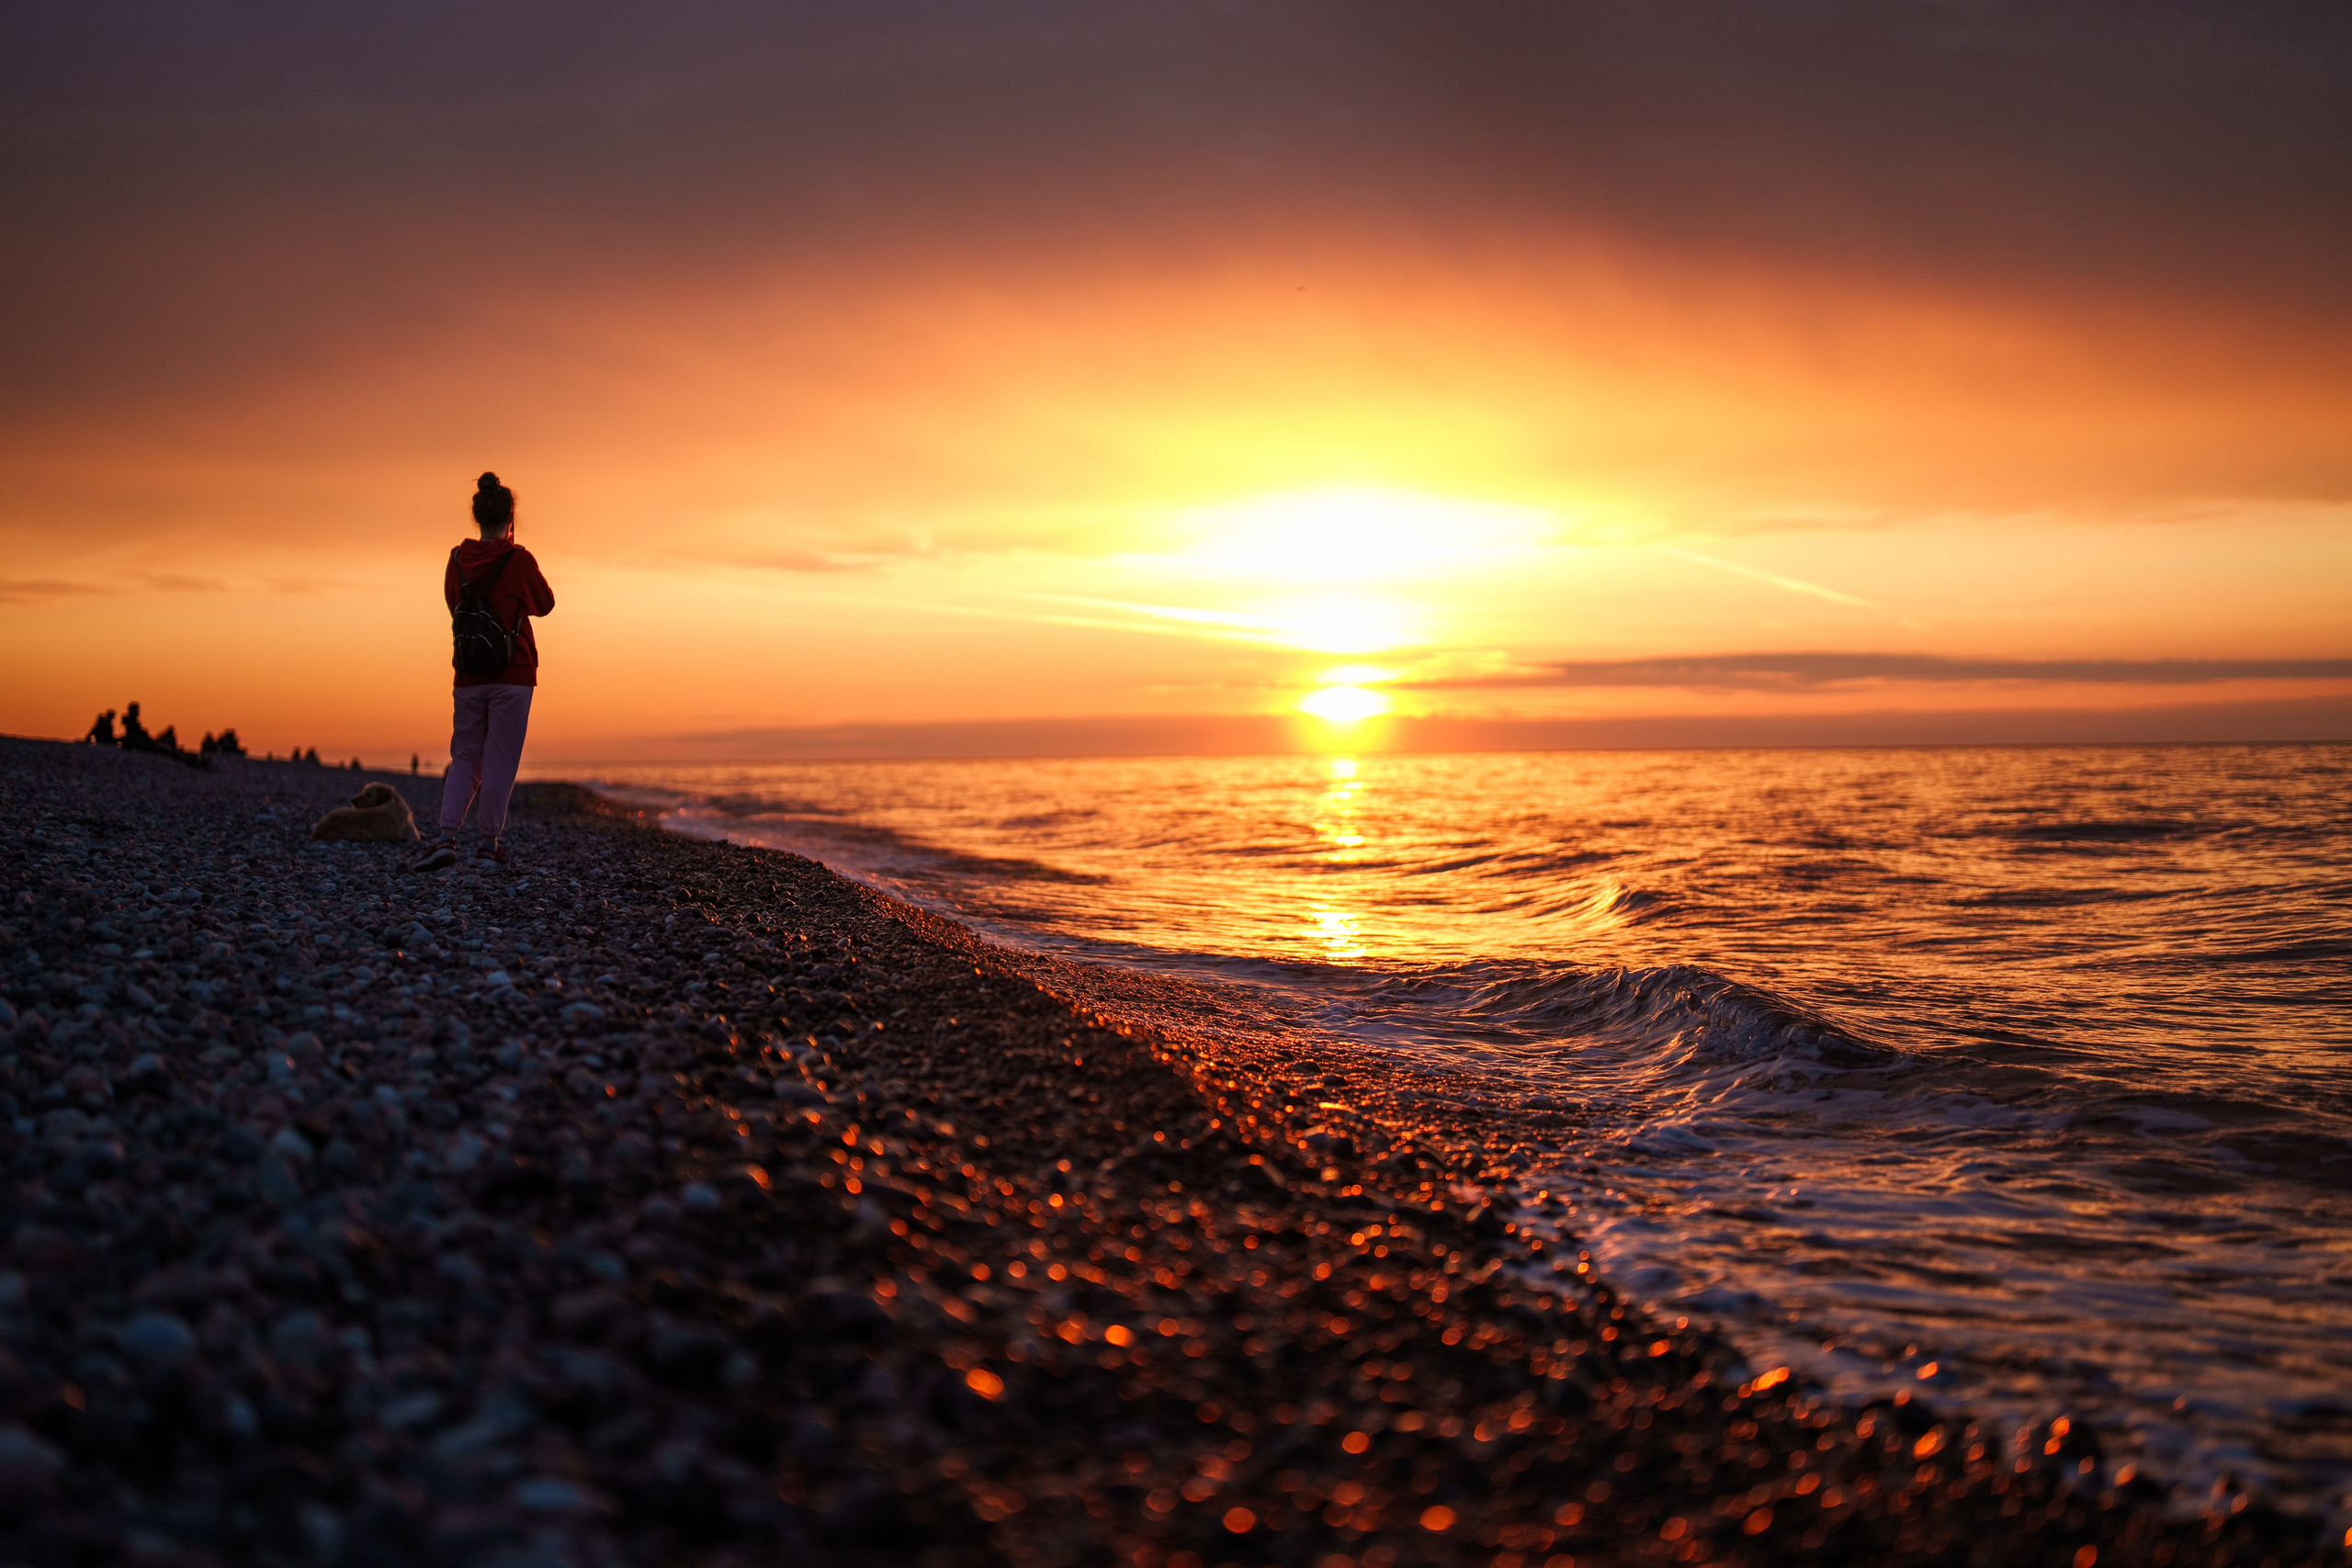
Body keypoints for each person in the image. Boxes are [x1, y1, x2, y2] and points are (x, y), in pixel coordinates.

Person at [413, 472, 554, 871]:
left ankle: (445, 838)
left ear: (477, 517)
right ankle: (488, 846)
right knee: (499, 761)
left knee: (464, 757)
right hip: (514, 673)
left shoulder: (457, 560)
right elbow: (545, 604)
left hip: (469, 673)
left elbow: (452, 605)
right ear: (511, 519)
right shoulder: (519, 560)